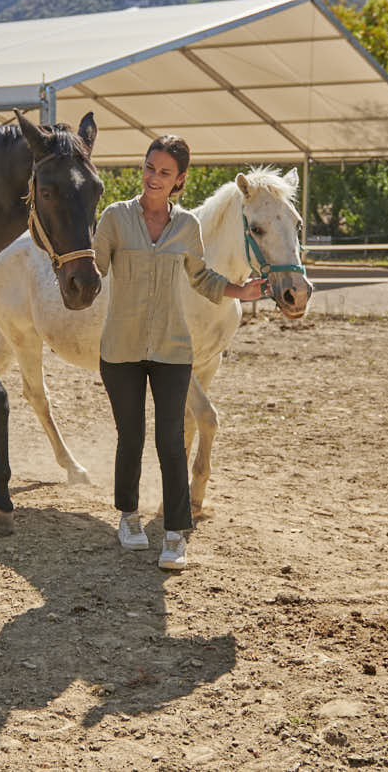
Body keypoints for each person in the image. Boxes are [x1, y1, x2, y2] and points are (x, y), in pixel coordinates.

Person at [91, 135, 267, 570]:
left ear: (179, 180)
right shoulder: (115, 218)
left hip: (171, 348)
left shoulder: (187, 226)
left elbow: (202, 278)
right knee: (130, 437)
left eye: (164, 173)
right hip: (122, 347)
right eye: (149, 168)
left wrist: (240, 291)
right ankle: (128, 517)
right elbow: (93, 268)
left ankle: (175, 533)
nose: (153, 178)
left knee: (171, 439)